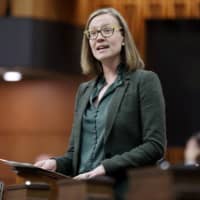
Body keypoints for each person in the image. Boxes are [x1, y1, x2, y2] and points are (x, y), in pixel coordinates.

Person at [34, 8, 166, 200]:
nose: (99, 37)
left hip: (124, 192)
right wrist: (54, 163)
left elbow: (154, 146)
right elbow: (74, 155)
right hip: (82, 192)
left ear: (123, 37)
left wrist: (104, 168)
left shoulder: (144, 81)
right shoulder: (84, 91)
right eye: (93, 33)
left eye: (106, 30)